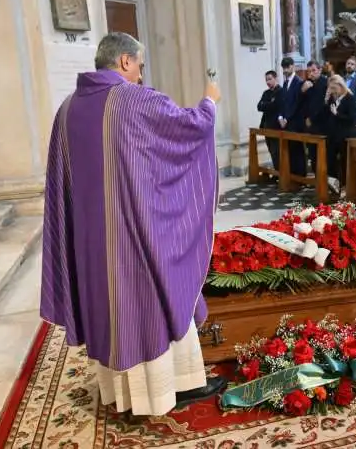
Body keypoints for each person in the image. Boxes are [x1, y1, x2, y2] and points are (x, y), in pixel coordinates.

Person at [41, 32, 226, 417]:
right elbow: (187, 130)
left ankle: (119, 392)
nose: (141, 75)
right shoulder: (133, 100)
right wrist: (210, 102)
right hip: (133, 236)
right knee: (150, 300)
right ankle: (169, 390)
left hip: (90, 244)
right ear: (125, 62)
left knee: (111, 308)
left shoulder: (67, 108)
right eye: (139, 66)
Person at [325, 75, 356, 190]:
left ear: (340, 86)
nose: (333, 91)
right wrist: (326, 100)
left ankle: (346, 187)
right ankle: (334, 186)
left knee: (345, 162)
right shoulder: (333, 98)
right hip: (333, 135)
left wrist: (337, 114)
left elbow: (352, 119)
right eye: (331, 89)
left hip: (346, 135)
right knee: (330, 160)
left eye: (334, 88)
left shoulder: (350, 98)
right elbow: (327, 115)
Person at [279, 57, 306, 176]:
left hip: (295, 122)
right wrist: (280, 117)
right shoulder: (285, 83)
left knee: (297, 150)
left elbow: (296, 103)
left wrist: (286, 118)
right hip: (285, 123)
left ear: (292, 66)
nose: (285, 70)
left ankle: (300, 175)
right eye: (283, 68)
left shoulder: (299, 82)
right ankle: (292, 175)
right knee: (289, 150)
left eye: (287, 67)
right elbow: (283, 102)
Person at [302, 60, 329, 173]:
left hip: (322, 124)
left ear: (320, 70)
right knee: (312, 154)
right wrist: (303, 91)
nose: (311, 73)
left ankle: (325, 179)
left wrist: (311, 118)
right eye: (309, 71)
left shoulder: (326, 83)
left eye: (313, 70)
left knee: (323, 155)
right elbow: (304, 104)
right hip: (310, 126)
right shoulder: (307, 83)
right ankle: (317, 180)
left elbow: (324, 105)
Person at [257, 70, 282, 171]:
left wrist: (266, 104)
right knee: (271, 151)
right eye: (266, 80)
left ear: (275, 78)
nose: (268, 82)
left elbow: (276, 106)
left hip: (277, 127)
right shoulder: (266, 93)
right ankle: (277, 171)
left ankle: (280, 173)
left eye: (270, 79)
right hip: (267, 126)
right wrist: (269, 104)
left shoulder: (280, 91)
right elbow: (259, 106)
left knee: (277, 152)